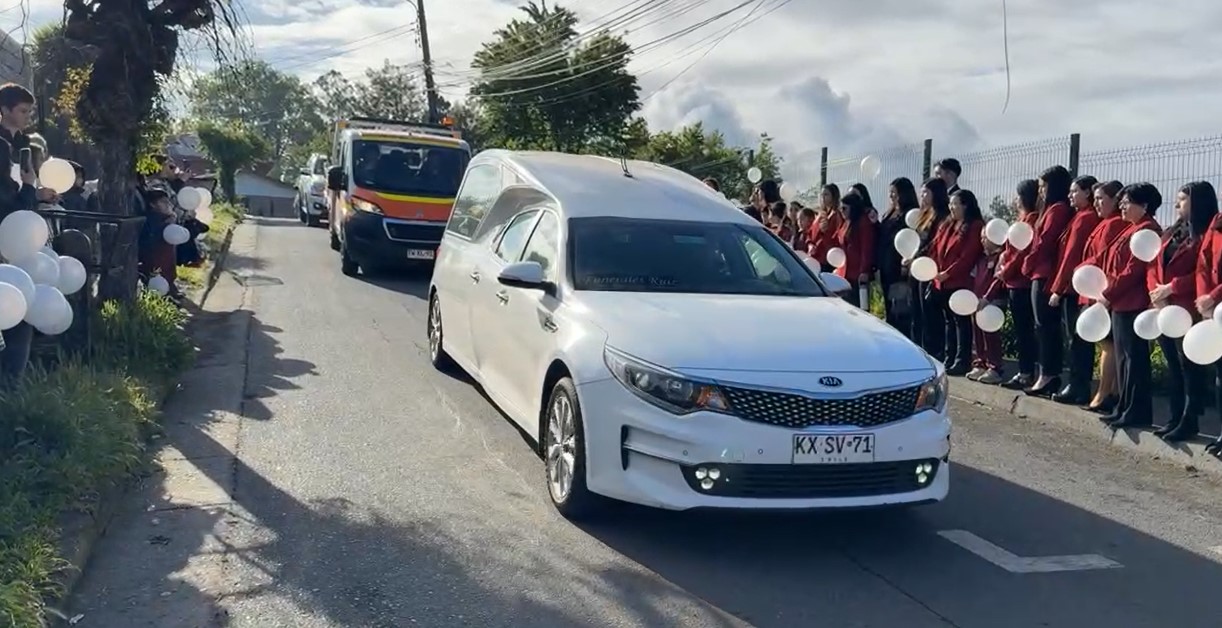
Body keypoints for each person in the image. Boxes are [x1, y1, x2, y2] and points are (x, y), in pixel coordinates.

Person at [1148, 181, 1217, 441]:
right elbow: (1154, 264)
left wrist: (1171, 288)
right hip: (1165, 309)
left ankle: (1190, 420)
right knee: (1173, 367)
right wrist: (1157, 293)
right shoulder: (1172, 231)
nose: (1176, 204)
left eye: (1182, 200)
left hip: (1189, 309)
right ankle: (1175, 417)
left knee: (1189, 368)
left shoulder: (1206, 234)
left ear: (1197, 203)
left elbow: (1201, 273)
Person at [1097, 183, 1163, 429]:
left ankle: (1136, 412)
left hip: (1132, 301)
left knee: (1134, 360)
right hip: (1121, 302)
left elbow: (1133, 270)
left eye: (1127, 202)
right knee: (1124, 359)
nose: (1122, 205)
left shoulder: (1147, 230)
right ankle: (1123, 407)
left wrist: (1108, 293)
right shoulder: (1131, 229)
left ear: (1144, 205)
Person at [1045, 175, 1101, 404]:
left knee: (1077, 339)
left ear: (1087, 192)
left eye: (1075, 191)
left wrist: (1058, 288)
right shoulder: (1079, 216)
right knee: (1076, 339)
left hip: (1074, 287)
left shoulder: (1084, 218)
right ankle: (1078, 385)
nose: (1070, 195)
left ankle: (1078, 386)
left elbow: (1071, 255)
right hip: (1075, 284)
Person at [1022, 165, 1075, 396]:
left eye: (1044, 186)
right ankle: (1046, 373)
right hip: (1040, 272)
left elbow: (1045, 241)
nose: (1041, 191)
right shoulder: (1050, 209)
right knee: (1041, 326)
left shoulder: (1058, 210)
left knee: (1045, 327)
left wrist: (1028, 263)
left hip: (1044, 273)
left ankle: (1048, 373)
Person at [1077, 180, 1127, 411]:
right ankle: (1111, 391)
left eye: (1101, 199)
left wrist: (1080, 269)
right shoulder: (1105, 222)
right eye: (1095, 198)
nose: (1096, 203)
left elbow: (1102, 259)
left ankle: (1104, 392)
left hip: (1105, 292)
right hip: (1099, 290)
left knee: (1108, 345)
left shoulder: (1113, 224)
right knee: (1107, 344)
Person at [930, 188, 984, 374]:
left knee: (961, 321)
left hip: (960, 281)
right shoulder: (947, 225)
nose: (951, 207)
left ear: (966, 205)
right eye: (950, 204)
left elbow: (968, 256)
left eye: (955, 204)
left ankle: (962, 360)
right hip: (942, 281)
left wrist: (949, 272)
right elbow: (935, 248)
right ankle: (949, 357)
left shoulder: (975, 226)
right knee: (949, 322)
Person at [997, 180, 1041, 389]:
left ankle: (1026, 372)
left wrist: (1005, 271)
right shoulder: (1022, 219)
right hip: (1014, 281)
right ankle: (1026, 370)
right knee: (1021, 330)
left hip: (1020, 281)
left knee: (1025, 331)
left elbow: (1021, 251)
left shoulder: (1030, 220)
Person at [910, 177, 951, 359]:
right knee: (918, 310)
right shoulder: (925, 214)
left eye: (926, 192)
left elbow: (934, 243)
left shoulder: (943, 216)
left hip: (930, 268)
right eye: (922, 192)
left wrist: (920, 256)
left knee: (931, 313)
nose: (923, 196)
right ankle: (921, 346)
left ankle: (935, 350)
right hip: (917, 266)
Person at [1194, 205, 1222, 457]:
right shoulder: (1217, 222)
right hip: (1214, 309)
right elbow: (1203, 264)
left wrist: (1213, 296)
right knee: (1220, 376)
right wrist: (1204, 299)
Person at [876, 177, 919, 337]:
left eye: (895, 193)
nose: (892, 196)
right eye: (890, 193)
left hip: (899, 267)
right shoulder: (889, 213)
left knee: (901, 308)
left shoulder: (910, 214)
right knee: (889, 305)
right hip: (886, 265)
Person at [833, 191, 876, 307]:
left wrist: (864, 270)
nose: (842, 212)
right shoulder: (847, 222)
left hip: (857, 272)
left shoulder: (863, 223)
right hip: (845, 271)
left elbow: (866, 248)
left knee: (858, 305)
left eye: (844, 209)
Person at [975, 232, 1007, 383]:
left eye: (985, 237)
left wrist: (988, 297)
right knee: (978, 332)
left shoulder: (1001, 257)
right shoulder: (981, 259)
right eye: (981, 237)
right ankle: (981, 362)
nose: (982, 241)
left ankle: (995, 367)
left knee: (991, 334)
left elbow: (997, 279)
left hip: (994, 301)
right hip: (979, 300)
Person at [808, 184, 843, 267]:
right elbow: (811, 232)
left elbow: (836, 237)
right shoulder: (821, 214)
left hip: (827, 258)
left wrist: (825, 232)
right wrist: (810, 244)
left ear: (833, 196)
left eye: (826, 194)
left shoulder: (837, 215)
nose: (823, 197)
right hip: (815, 254)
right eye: (822, 195)